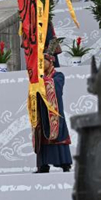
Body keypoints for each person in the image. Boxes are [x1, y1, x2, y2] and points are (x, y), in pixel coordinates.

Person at [34, 42, 72, 173]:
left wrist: (41, 81)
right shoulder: (40, 77)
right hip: (43, 111)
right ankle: (43, 165)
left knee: (58, 134)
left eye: (43, 61)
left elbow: (56, 87)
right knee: (42, 134)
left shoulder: (58, 76)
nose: (41, 64)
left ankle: (64, 163)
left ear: (51, 62)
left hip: (55, 111)